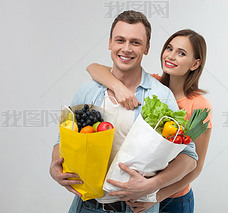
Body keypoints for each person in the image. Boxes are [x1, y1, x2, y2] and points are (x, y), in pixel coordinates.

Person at [49, 11, 198, 213]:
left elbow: (188, 157)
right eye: (120, 40)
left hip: (134, 209)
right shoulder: (87, 91)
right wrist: (54, 165)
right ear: (110, 42)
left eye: (135, 42)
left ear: (147, 48)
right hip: (87, 206)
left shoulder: (161, 96)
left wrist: (154, 185)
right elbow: (62, 139)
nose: (126, 49)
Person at [86, 29, 213, 212]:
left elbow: (196, 166)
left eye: (181, 53)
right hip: (136, 194)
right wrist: (118, 87)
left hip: (172, 199)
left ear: (195, 64)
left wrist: (156, 195)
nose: (171, 56)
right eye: (169, 48)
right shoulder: (152, 87)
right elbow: (93, 68)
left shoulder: (199, 106)